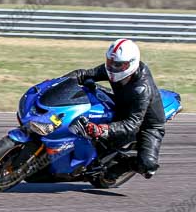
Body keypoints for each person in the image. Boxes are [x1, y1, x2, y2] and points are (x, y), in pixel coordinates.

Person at [65, 38, 165, 181]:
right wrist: (58, 83)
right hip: (120, 104)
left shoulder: (141, 89)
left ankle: (123, 166)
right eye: (110, 62)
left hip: (146, 124)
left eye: (118, 65)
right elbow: (84, 74)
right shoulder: (114, 68)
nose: (112, 67)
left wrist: (102, 129)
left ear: (131, 63)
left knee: (148, 166)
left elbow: (132, 124)